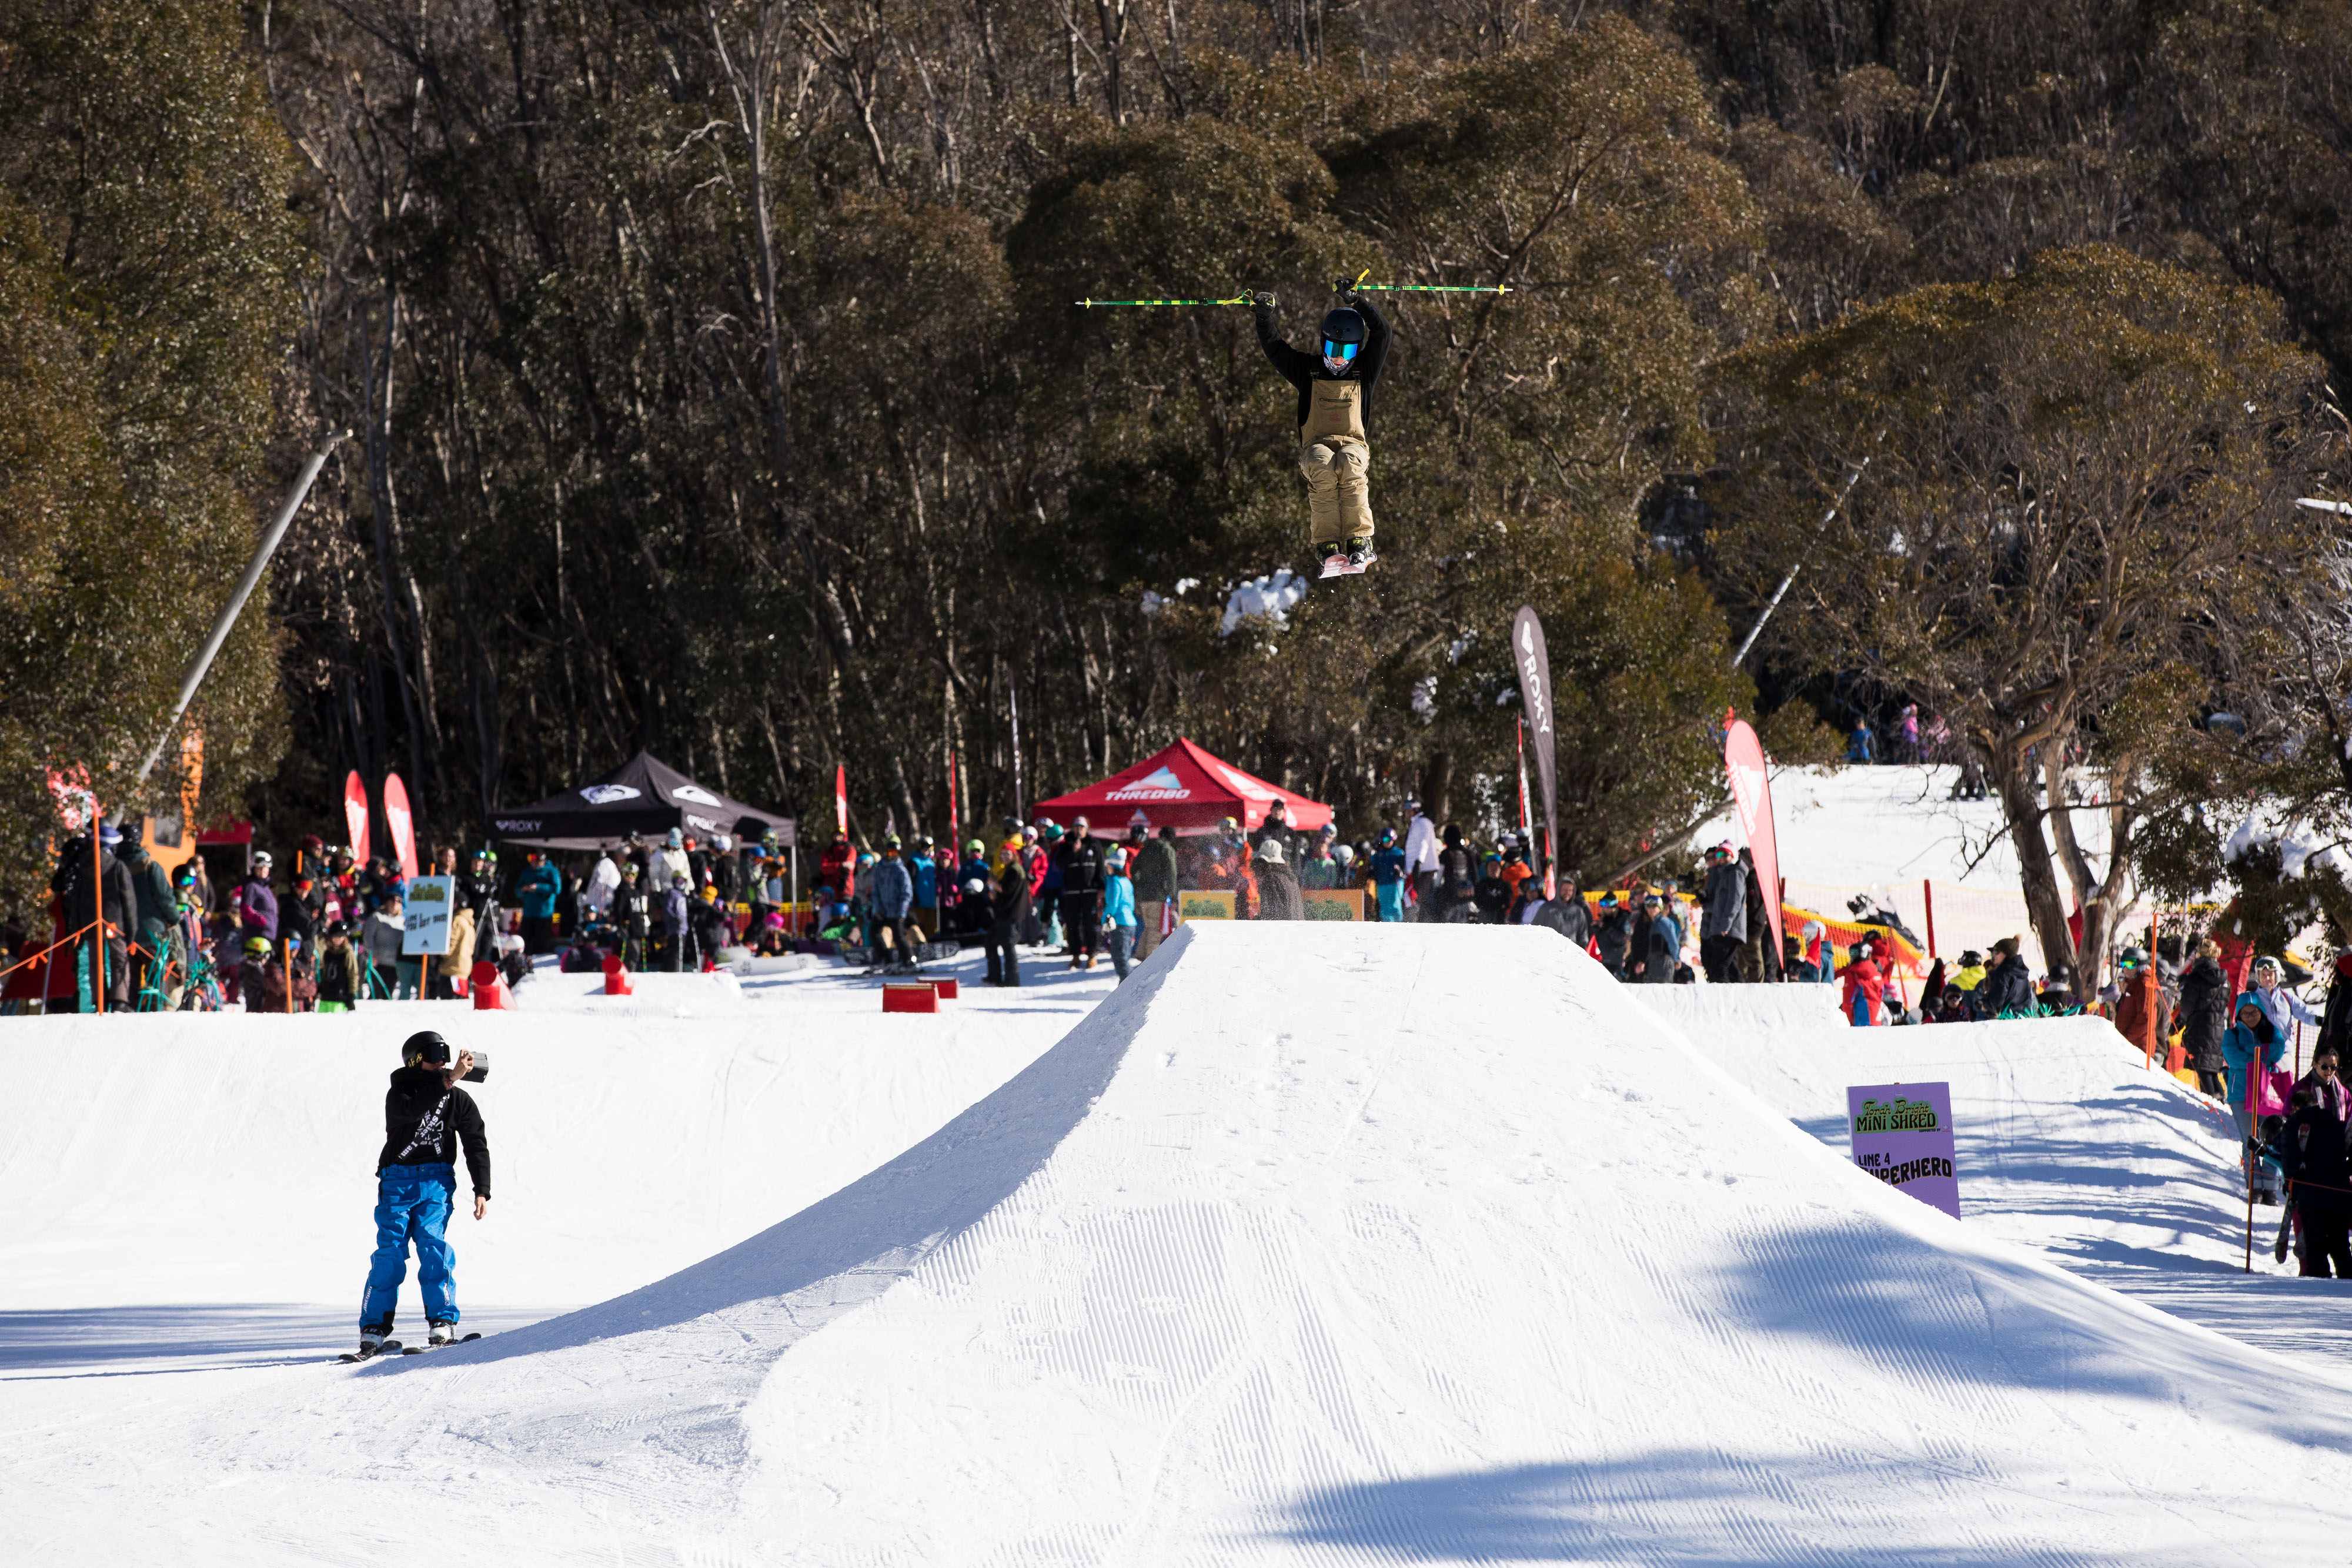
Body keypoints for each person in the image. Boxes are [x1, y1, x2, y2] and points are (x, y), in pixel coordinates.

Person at [356, 1030, 491, 1358]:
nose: (443, 1062)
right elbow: (409, 1111)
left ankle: (442, 1324)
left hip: (436, 1181)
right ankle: (373, 1329)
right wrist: (447, 1081)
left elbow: (475, 1140)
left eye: (445, 1054)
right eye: (434, 1055)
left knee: (433, 1246)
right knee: (390, 1252)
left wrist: (482, 1189)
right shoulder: (401, 1091)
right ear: (416, 1060)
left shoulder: (457, 1098)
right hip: (397, 1182)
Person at [1252, 281, 1391, 577]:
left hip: (1354, 443)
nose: (1338, 358)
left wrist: (1359, 302)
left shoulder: (1363, 370)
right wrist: (1264, 318)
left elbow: (1383, 333)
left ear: (1356, 349)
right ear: (1323, 342)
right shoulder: (1308, 370)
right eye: (1332, 348)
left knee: (1350, 465)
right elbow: (1276, 349)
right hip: (1316, 445)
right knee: (1321, 464)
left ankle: (1359, 541)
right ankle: (1327, 546)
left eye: (1346, 350)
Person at [2279, 1065, 2352, 1277]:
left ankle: (2320, 1287)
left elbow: (2290, 1158)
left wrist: (2291, 1183)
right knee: (2340, 1244)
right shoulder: (2333, 1122)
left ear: (2295, 1107)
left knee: (2316, 1247)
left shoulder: (2294, 1124)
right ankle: (2348, 1281)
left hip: (2311, 1195)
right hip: (2339, 1192)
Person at [2223, 995, 2288, 1204]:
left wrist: (2251, 1053)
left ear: (2261, 1012)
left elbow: (2278, 1050)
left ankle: (2270, 1187)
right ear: (2239, 1015)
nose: (2251, 1017)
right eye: (2246, 1013)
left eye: (2255, 1012)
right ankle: (2255, 1186)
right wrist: (2261, 1055)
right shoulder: (2231, 1034)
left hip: (2267, 1094)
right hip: (2240, 1094)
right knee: (2249, 1140)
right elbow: (2233, 1058)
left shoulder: (2271, 1030)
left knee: (2272, 1139)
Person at [2179, 934, 2232, 1096]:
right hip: (2218, 1030)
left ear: (2199, 955)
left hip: (2199, 1028)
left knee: (2202, 1070)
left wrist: (2183, 1021)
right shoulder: (2225, 980)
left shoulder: (2195, 978)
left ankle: (2213, 1103)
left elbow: (2186, 1007)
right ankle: (2220, 1100)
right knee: (2211, 1070)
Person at [1054, 817, 1108, 969]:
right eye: (1076, 827)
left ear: (1087, 828)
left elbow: (1100, 868)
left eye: (1082, 827)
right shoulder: (1066, 845)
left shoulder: (1094, 844)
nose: (1079, 829)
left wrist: (1101, 888)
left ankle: (1091, 955)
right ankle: (1075, 955)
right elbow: (1059, 864)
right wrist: (1073, 852)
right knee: (1072, 924)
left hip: (1090, 891)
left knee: (1090, 924)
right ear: (1072, 828)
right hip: (1072, 892)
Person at [867, 838, 918, 974]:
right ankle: (885, 959)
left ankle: (909, 959)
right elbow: (876, 891)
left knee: (898, 936)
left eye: (895, 852)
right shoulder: (880, 869)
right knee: (873, 932)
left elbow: (907, 893)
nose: (892, 855)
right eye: (890, 852)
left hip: (896, 911)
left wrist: (902, 912)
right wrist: (878, 909)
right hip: (883, 911)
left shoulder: (901, 871)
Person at [1698, 842, 1746, 984]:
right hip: (1719, 928)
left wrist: (1726, 924)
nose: (1721, 858)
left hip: (1728, 929)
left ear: (1732, 856)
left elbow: (1734, 902)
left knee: (1720, 967)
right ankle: (1741, 995)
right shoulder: (1724, 874)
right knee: (1727, 967)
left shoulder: (1734, 873)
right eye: (1719, 854)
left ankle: (1722, 997)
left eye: (1726, 854)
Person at [985, 838, 1029, 988]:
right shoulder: (1010, 869)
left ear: (1014, 855)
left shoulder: (1014, 870)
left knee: (1008, 947)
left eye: (1007, 854)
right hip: (1005, 914)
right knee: (991, 942)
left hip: (1010, 915)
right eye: (1002, 855)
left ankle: (1012, 980)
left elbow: (1007, 890)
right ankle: (995, 976)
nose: (1003, 857)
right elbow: (1006, 892)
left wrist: (994, 884)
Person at [1134, 825, 1179, 956]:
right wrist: (1173, 896)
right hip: (1157, 896)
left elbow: (1134, 869)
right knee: (1155, 930)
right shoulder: (1167, 850)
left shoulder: (1146, 848)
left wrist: (1139, 886)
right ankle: (1149, 962)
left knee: (1149, 927)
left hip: (1143, 897)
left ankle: (1141, 955)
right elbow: (1172, 874)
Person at [513, 851, 563, 954]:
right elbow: (517, 890)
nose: (534, 864)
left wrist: (538, 887)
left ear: (543, 861)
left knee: (542, 944)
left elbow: (557, 889)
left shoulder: (552, 872)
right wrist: (523, 889)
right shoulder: (527, 872)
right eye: (532, 862)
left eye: (536, 862)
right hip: (528, 914)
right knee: (525, 941)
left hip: (544, 915)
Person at [1977, 935, 2034, 1018]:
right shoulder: (2022, 973)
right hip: (2024, 1019)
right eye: (1993, 952)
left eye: (1997, 951)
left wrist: (1985, 1004)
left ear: (2007, 953)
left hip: (2007, 1020)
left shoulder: (2003, 974)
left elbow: (1996, 1002)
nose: (1994, 955)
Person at [1103, 849, 1138, 980]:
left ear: (1111, 865)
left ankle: (1129, 987)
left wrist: (1105, 920)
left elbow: (1112, 904)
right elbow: (1131, 903)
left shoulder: (1114, 881)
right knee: (1124, 957)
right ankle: (1125, 987)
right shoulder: (1126, 881)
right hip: (1130, 923)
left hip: (1120, 923)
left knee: (1120, 960)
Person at [365, 895, 409, 999]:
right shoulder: (377, 917)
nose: (395, 903)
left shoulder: (403, 921)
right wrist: (372, 954)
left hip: (394, 963)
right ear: (387, 902)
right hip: (378, 961)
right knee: (375, 993)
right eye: (393, 900)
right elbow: (368, 936)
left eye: (399, 901)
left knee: (388, 994)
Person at [1404, 800, 1440, 920]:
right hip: (1419, 867)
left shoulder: (1422, 822)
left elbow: (1424, 843)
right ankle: (1421, 919)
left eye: (1409, 811)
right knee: (1419, 896)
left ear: (1416, 810)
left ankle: (1426, 921)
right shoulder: (1416, 823)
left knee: (1422, 897)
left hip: (1425, 867)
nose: (1406, 814)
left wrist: (1419, 862)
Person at [1432, 825, 1477, 921]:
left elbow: (1439, 876)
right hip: (1467, 895)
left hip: (1449, 894)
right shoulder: (1468, 853)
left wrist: (1436, 889)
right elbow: (1475, 876)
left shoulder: (1445, 854)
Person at [317, 921, 364, 1012]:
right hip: (326, 996)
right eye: (335, 937)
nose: (338, 939)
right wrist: (321, 988)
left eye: (341, 937)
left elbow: (353, 975)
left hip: (340, 998)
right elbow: (325, 973)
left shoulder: (348, 953)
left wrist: (352, 995)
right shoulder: (328, 953)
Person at [1255, 838, 1304, 921]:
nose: (1258, 865)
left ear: (1266, 862)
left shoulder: (1271, 879)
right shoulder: (1289, 877)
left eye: (1260, 861)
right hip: (1296, 929)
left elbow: (1272, 916)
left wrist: (1255, 921)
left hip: (1283, 931)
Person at [1838, 944, 1885, 1026]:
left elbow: (1848, 1001)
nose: (1852, 956)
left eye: (1855, 953)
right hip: (1876, 1017)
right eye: (1851, 953)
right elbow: (1882, 993)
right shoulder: (1876, 972)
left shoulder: (1852, 974)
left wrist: (1848, 1021)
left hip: (1860, 1019)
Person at [1368, 827, 1408, 922]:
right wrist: (1372, 871)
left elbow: (1405, 869)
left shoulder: (1399, 853)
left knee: (1395, 904)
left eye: (1391, 839)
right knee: (1384, 905)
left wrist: (1400, 872)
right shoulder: (1378, 855)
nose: (1388, 842)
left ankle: (1398, 922)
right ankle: (1387, 924)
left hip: (1395, 883)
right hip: (1382, 883)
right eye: (1386, 839)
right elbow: (1372, 866)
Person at [1594, 892, 1632, 976]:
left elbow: (1623, 939)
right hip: (1603, 959)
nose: (1604, 909)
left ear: (1613, 906)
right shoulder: (1603, 919)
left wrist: (1608, 928)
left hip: (1617, 961)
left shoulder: (1624, 918)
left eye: (1606, 906)